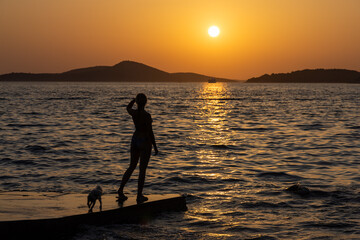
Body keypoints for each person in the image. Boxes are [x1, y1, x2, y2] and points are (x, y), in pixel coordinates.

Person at [118, 93, 158, 203]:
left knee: (132, 166)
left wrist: (132, 101)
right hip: (144, 141)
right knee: (142, 170)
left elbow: (128, 108)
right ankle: (139, 195)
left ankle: (121, 190)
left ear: (137, 102)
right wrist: (155, 146)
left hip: (135, 139)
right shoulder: (147, 116)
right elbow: (150, 132)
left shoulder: (134, 113)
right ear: (145, 103)